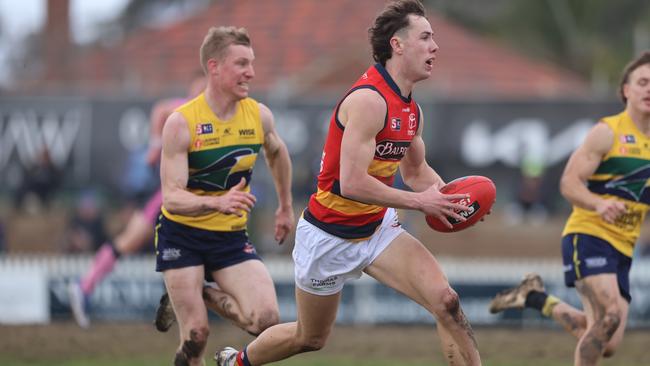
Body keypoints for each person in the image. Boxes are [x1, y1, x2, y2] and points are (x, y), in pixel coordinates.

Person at [215, 1, 482, 365]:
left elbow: (416, 174)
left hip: (376, 230)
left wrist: (455, 199)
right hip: (328, 236)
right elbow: (352, 183)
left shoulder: (411, 110)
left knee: (447, 303)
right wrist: (421, 203)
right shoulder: (369, 101)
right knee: (309, 338)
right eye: (425, 37)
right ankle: (237, 362)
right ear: (397, 45)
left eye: (434, 38)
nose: (435, 46)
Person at [489, 51, 650, 366]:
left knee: (608, 342)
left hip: (624, 247)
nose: (649, 89)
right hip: (588, 236)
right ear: (626, 90)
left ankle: (534, 297)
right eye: (642, 82)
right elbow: (569, 183)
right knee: (611, 317)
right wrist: (599, 204)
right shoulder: (608, 132)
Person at [157, 26, 294, 365]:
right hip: (182, 235)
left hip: (229, 237)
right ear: (214, 67)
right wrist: (216, 202)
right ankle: (188, 304)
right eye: (241, 64)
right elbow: (171, 198)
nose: (251, 72)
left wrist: (285, 207)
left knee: (265, 320)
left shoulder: (258, 115)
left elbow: (277, 153)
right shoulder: (182, 123)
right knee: (196, 336)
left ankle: (199, 292)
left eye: (252, 63)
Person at [67, 71, 206, 328]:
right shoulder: (188, 109)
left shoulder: (213, 115)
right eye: (199, 87)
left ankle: (85, 286)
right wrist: (154, 145)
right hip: (172, 194)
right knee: (132, 239)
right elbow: (161, 109)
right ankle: (84, 287)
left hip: (188, 195)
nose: (201, 93)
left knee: (146, 242)